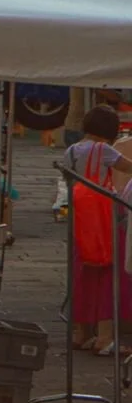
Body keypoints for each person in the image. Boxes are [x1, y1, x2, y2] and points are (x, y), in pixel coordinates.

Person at [64, 104, 132, 353]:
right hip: (103, 219)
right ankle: (105, 337)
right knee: (107, 273)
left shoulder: (71, 151)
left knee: (81, 272)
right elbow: (128, 167)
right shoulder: (103, 150)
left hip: (79, 219)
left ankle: (80, 332)